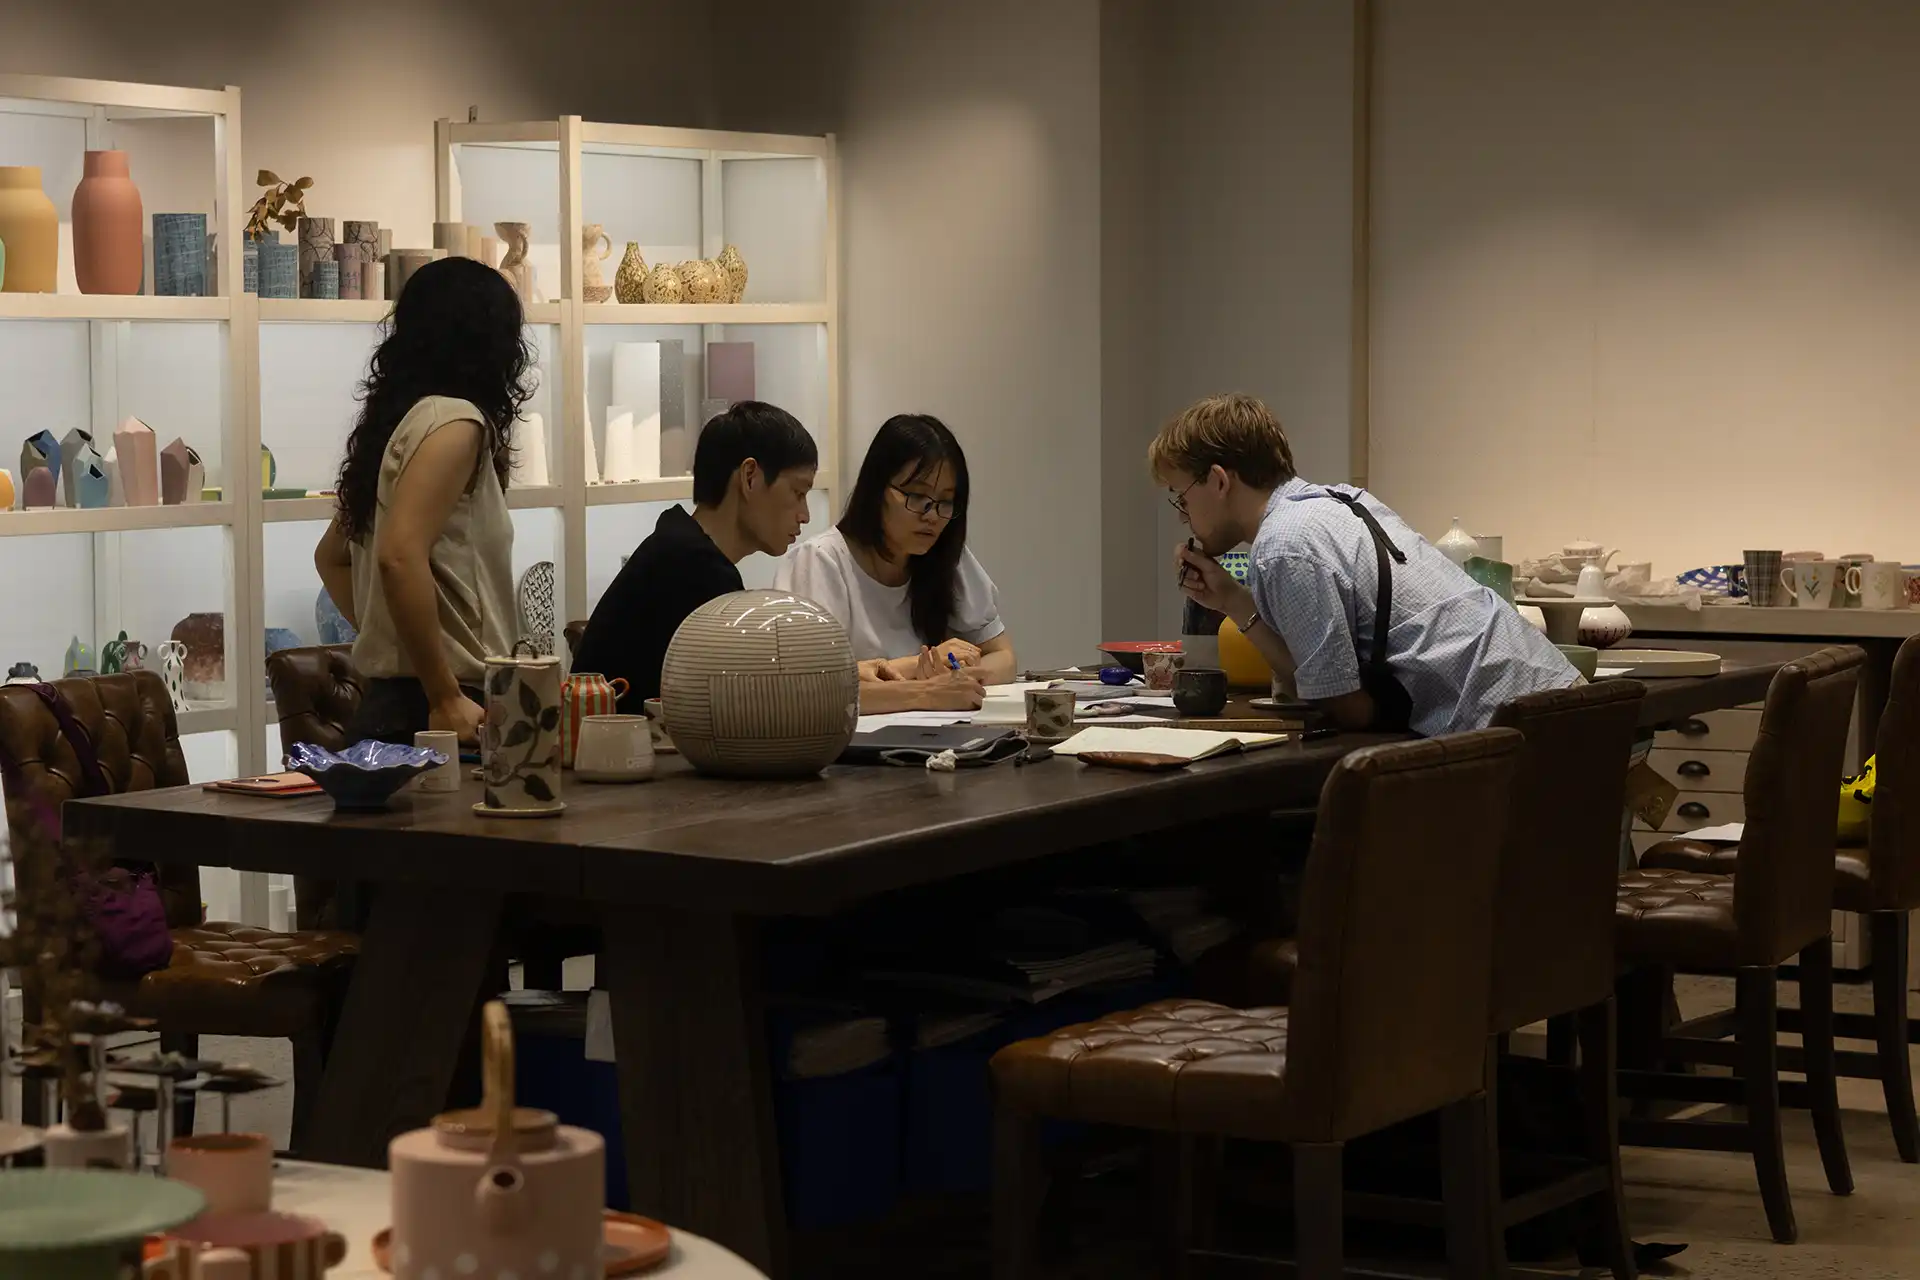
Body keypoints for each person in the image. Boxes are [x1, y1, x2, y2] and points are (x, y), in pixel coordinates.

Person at [1154, 393, 1577, 735]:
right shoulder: (1344, 501)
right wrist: (1232, 600)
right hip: (1567, 703)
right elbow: (1318, 678)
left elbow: (1346, 709)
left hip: (1515, 735)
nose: (1181, 513)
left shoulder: (1284, 545)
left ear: (1219, 480)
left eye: (1182, 495)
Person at [315, 256, 530, 746]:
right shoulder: (455, 425)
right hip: (443, 707)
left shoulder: (405, 423)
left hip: (395, 704)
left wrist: (394, 643)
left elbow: (332, 558)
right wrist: (443, 691)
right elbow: (398, 556)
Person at [571, 400, 817, 701]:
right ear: (749, 477)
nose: (805, 515)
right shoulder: (694, 569)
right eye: (798, 492)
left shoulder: (681, 549)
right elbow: (759, 699)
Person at [776, 414, 1008, 711]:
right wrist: (923, 682)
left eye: (946, 502)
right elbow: (806, 692)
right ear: (877, 490)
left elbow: (1003, 655)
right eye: (918, 496)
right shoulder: (821, 562)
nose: (933, 515)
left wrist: (960, 678)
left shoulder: (946, 556)